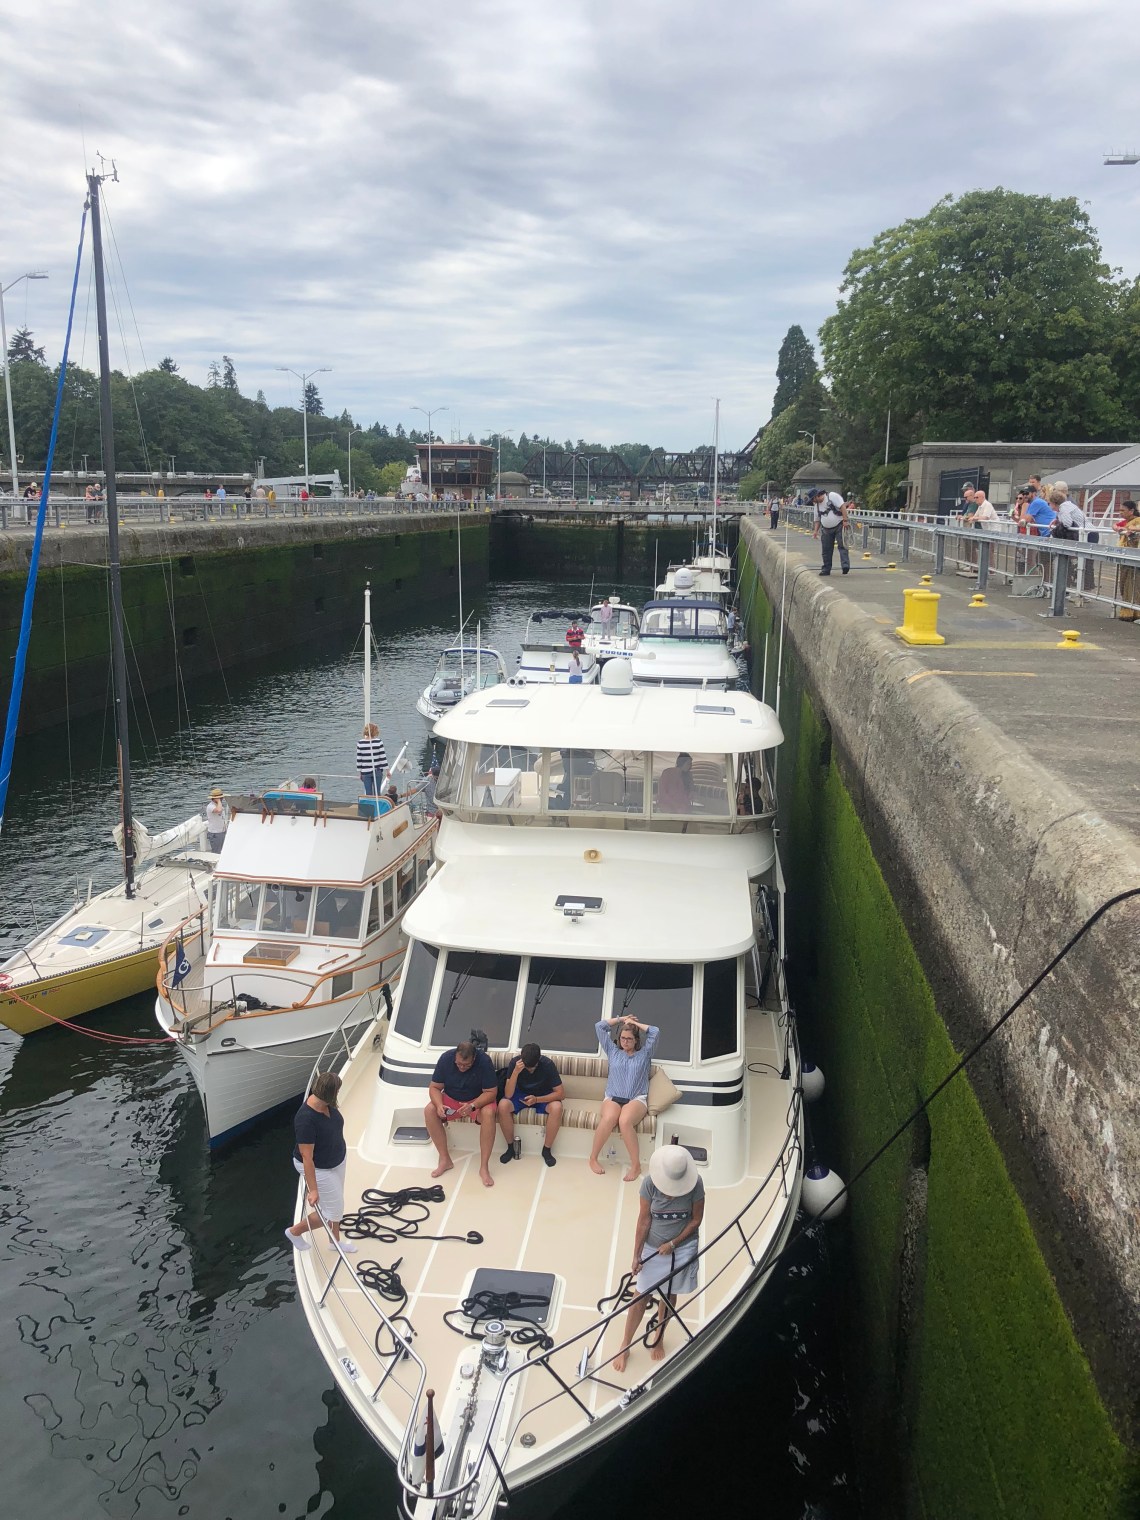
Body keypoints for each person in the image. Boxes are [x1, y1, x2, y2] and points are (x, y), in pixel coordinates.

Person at [611, 1145, 705, 1373]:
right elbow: (643, 1220)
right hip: (653, 1247)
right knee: (640, 1296)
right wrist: (636, 1255)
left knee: (669, 1294)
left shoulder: (696, 1184)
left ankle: (659, 1337)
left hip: (681, 1247)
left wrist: (673, 1244)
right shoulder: (649, 1184)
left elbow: (696, 1220)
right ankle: (625, 1344)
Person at [285, 1071, 355, 1252]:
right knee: (333, 1210)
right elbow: (307, 1157)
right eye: (337, 1091)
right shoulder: (305, 1120)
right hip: (319, 1167)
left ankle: (334, 1242)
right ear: (330, 1093)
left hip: (336, 1160)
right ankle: (294, 1232)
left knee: (336, 1204)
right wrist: (313, 1189)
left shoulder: (327, 1105)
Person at [589, 1014, 660, 1182]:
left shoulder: (645, 1054)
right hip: (613, 1096)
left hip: (636, 1098)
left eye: (629, 1039)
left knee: (625, 1121)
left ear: (636, 1040)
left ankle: (636, 1165)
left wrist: (634, 1023)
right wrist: (621, 1020)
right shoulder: (613, 1051)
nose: (625, 1042)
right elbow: (599, 1026)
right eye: (622, 1038)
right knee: (609, 1118)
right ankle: (593, 1158)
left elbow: (655, 1032)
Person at [425, 1040, 498, 1187]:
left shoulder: (484, 1062)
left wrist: (473, 1106)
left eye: (466, 1065)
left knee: (489, 1113)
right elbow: (434, 1087)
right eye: (459, 1064)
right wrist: (439, 1105)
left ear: (474, 1058)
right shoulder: (446, 1058)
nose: (462, 1067)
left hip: (477, 1101)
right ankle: (445, 1159)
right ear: (455, 1057)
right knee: (429, 1110)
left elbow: (491, 1092)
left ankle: (484, 1167)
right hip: (451, 1100)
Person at [497, 1042, 565, 1167]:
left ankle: (546, 1149)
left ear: (538, 1060)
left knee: (557, 1107)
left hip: (542, 1095)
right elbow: (508, 1094)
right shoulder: (514, 1063)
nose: (530, 1070)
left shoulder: (547, 1064)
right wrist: (515, 1072)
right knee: (503, 1105)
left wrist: (537, 1099)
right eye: (527, 1067)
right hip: (521, 1095)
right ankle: (511, 1147)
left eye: (532, 1068)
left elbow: (561, 1094)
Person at [812, 490, 850, 576]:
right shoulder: (816, 506)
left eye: (813, 499)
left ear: (817, 496)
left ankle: (845, 565)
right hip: (826, 529)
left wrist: (845, 520)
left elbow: (842, 507)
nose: (813, 501)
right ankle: (826, 569)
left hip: (839, 525)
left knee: (842, 546)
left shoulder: (832, 496)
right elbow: (817, 520)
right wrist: (815, 531)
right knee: (826, 549)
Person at [1116, 500, 1140, 621]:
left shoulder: (1137, 521)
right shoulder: (1127, 522)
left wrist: (1132, 529)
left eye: (1123, 510)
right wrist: (1120, 529)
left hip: (1133, 557)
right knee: (1125, 584)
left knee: (1131, 584)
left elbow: (1134, 529)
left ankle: (1129, 612)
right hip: (1125, 556)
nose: (1120, 512)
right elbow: (1116, 526)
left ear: (1131, 511)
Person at [357, 722, 389, 795]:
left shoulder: (360, 743)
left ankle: (369, 802)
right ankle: (377, 802)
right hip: (377, 770)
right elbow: (383, 757)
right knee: (377, 792)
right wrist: (387, 771)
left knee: (368, 793)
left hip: (365, 771)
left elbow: (359, 760)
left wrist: (360, 773)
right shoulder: (379, 742)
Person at [205, 787, 227, 853]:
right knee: (216, 852)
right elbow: (219, 810)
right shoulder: (210, 806)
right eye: (220, 798)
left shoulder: (219, 805)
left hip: (221, 831)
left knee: (223, 850)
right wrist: (218, 801)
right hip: (215, 833)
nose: (222, 799)